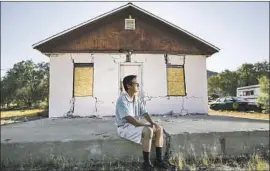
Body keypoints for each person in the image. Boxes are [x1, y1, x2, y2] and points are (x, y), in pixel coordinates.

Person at [115, 75, 169, 171]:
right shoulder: (122, 100)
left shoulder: (137, 98)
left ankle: (159, 160)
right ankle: (146, 164)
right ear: (129, 86)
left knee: (159, 128)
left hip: (134, 125)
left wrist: (152, 123)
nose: (138, 85)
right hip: (125, 127)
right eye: (136, 84)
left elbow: (144, 112)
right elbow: (131, 120)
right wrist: (148, 125)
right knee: (148, 130)